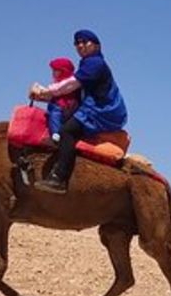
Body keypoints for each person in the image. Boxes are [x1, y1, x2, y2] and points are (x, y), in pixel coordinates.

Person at [29, 29, 127, 194]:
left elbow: (71, 85)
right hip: (93, 107)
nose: (80, 45)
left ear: (96, 46)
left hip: (102, 110)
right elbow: (70, 94)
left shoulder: (95, 63)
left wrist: (46, 91)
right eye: (77, 43)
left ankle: (59, 178)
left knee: (66, 131)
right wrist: (44, 97)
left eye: (84, 42)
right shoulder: (87, 64)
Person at [44, 57, 79, 143]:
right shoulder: (59, 82)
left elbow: (57, 90)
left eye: (56, 70)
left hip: (66, 106)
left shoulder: (68, 83)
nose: (53, 73)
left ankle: (56, 133)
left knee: (55, 113)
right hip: (64, 106)